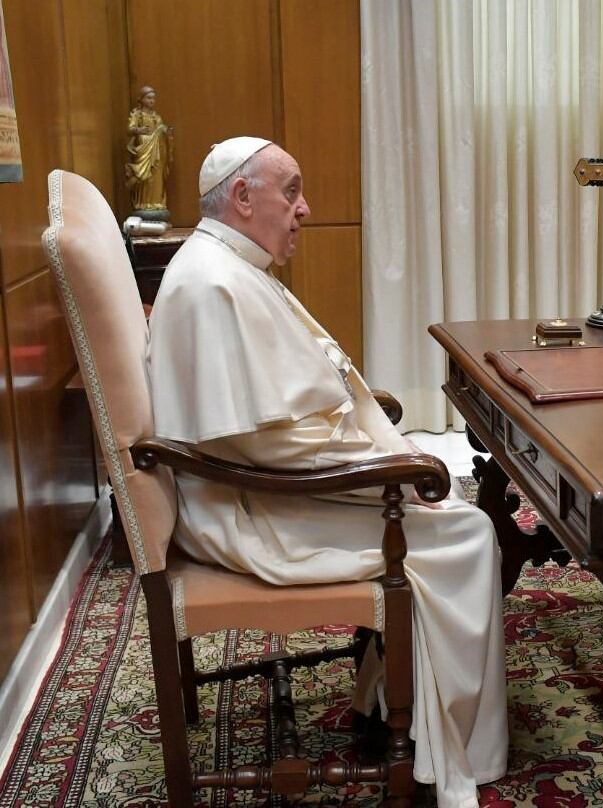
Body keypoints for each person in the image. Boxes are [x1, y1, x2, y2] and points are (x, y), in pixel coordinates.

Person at [146, 137, 506, 808]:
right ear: (242, 196)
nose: (305, 208)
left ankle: (388, 698)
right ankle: (453, 748)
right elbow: (259, 445)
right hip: (250, 512)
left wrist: (378, 462)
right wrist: (386, 471)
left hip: (259, 487)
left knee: (448, 510)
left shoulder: (230, 267)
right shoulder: (213, 283)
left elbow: (275, 424)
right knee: (467, 533)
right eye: (292, 191)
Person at [124, 86, 173, 216]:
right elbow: (130, 129)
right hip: (144, 150)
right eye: (149, 98)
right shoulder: (137, 114)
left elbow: (161, 130)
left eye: (153, 98)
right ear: (141, 99)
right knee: (144, 178)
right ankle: (143, 203)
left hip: (157, 152)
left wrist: (165, 131)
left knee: (156, 176)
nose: (152, 101)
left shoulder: (156, 116)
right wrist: (140, 131)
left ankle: (156, 202)